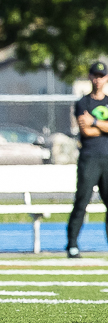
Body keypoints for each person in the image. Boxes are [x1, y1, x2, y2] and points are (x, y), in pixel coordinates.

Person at [66, 61, 108, 259]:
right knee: (82, 202)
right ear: (90, 77)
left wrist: (95, 122)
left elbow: (92, 125)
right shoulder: (83, 102)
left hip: (107, 159)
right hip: (89, 158)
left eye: (101, 76)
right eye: (95, 75)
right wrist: (101, 126)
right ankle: (72, 245)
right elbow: (85, 130)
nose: (98, 80)